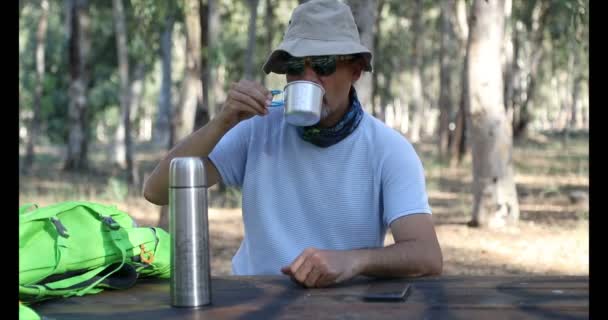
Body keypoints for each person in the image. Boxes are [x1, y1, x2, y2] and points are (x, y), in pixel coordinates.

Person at [143, 0, 442, 288]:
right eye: (296, 67)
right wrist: (222, 122)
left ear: (355, 71)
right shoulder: (256, 127)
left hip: (341, 303)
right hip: (252, 296)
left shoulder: (387, 149)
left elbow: (426, 255)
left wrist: (354, 261)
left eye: (323, 65)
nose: (308, 79)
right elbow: (156, 191)